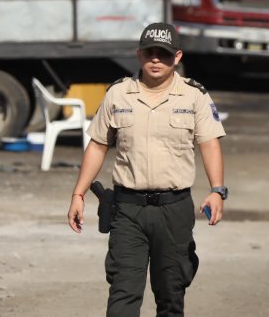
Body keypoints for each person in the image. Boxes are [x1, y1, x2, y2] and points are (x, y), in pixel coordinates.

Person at [67, 22, 227, 317]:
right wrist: (78, 194)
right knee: (123, 296)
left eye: (164, 54)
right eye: (150, 52)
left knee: (170, 295)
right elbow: (98, 145)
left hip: (174, 209)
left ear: (177, 57)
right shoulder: (118, 94)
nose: (156, 59)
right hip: (128, 211)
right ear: (138, 55)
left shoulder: (194, 96)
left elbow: (210, 144)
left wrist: (217, 191)